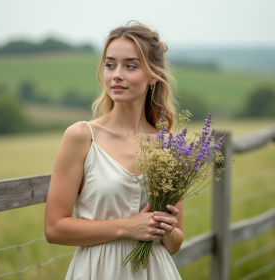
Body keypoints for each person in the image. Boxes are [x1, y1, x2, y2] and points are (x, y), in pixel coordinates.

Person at [44, 21, 183, 279]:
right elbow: (54, 229)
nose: (116, 74)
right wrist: (128, 227)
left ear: (153, 75)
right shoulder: (81, 137)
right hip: (97, 271)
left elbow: (174, 245)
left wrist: (167, 229)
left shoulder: (169, 146)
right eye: (110, 65)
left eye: (130, 66)